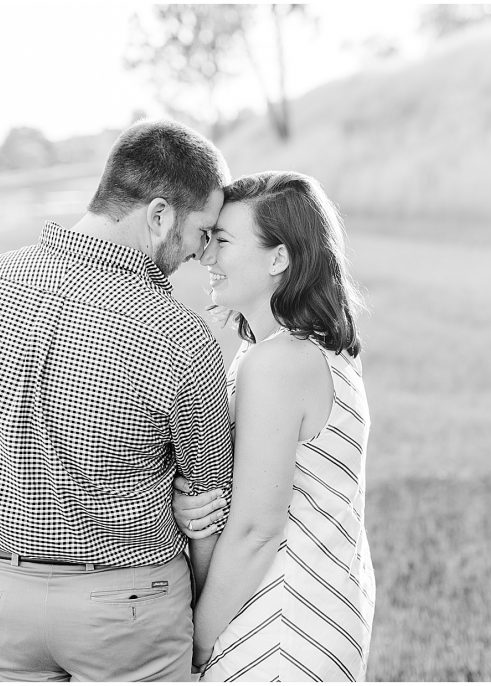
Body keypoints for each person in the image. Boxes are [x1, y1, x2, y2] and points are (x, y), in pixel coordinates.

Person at [0, 120, 235, 682]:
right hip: (130, 612)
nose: (203, 254)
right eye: (203, 232)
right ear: (159, 216)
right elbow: (205, 506)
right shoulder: (180, 336)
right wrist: (197, 615)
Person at [171, 171, 376, 681]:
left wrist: (195, 642)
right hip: (318, 593)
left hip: (283, 618)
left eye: (222, 241)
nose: (205, 256)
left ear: (278, 258)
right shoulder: (293, 351)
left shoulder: (279, 363)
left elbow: (257, 530)